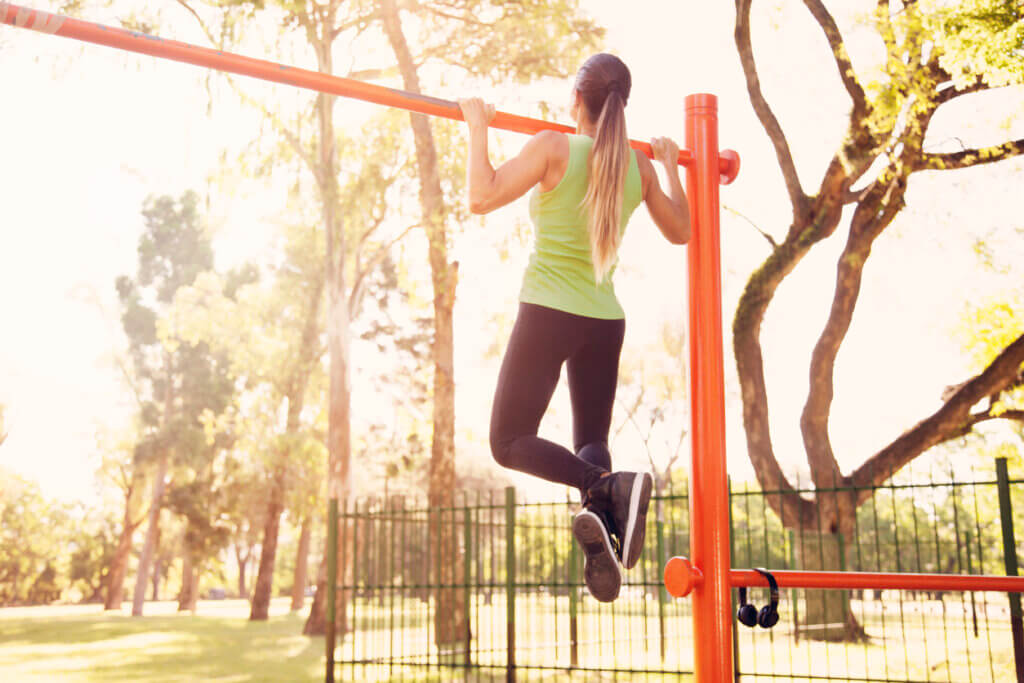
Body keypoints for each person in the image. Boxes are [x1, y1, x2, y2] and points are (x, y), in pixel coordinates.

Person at [458, 53, 690, 602]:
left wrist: (476, 128)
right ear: (621, 104)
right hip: (604, 321)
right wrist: (671, 166)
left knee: (507, 441)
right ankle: (605, 521)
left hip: (548, 313)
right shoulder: (640, 168)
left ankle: (603, 486)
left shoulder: (553, 147)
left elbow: (481, 196)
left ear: (576, 100)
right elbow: (681, 230)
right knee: (590, 441)